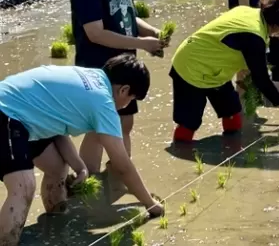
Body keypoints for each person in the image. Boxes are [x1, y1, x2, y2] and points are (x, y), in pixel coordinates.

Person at [0, 55, 165, 246]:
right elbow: (123, 166)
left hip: (24, 117)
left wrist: (80, 167)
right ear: (124, 90)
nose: (126, 105)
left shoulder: (88, 77)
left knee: (57, 168)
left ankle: (55, 225)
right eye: (131, 99)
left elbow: (54, 125)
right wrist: (150, 204)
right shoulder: (102, 102)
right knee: (23, 187)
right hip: (7, 113)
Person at [70, 0, 167, 174]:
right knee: (98, 128)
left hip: (124, 69)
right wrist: (141, 43)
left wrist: (152, 33)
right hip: (99, 69)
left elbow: (129, 18)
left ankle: (117, 174)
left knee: (125, 123)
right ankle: (88, 178)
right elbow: (96, 33)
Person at [170, 0, 279, 142]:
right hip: (191, 67)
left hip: (215, 71)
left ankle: (232, 150)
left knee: (232, 112)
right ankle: (180, 151)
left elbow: (251, 63)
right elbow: (262, 79)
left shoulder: (251, 14)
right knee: (189, 122)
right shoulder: (254, 35)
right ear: (278, 23)